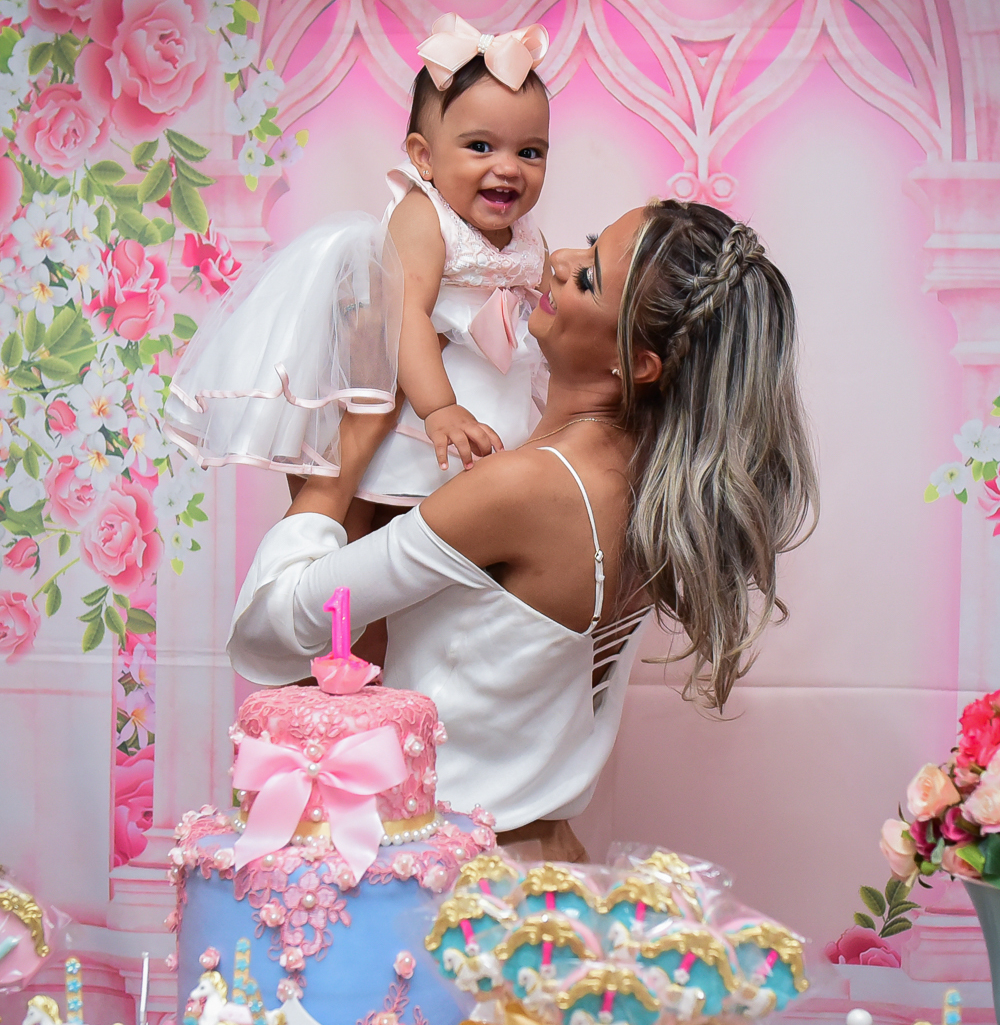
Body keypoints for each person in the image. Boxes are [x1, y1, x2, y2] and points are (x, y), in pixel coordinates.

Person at [229, 200, 818, 861]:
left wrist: (345, 457)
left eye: (589, 277)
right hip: (543, 860)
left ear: (640, 364)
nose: (558, 261)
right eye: (587, 243)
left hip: (457, 880)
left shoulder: (526, 488)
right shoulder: (654, 490)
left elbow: (272, 629)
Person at [164, 13, 552, 513]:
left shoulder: (527, 233)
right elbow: (406, 315)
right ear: (423, 157)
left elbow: (547, 301)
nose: (508, 167)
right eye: (480, 146)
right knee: (382, 509)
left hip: (495, 396)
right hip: (423, 398)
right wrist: (439, 407)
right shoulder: (425, 215)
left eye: (530, 152)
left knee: (471, 522)